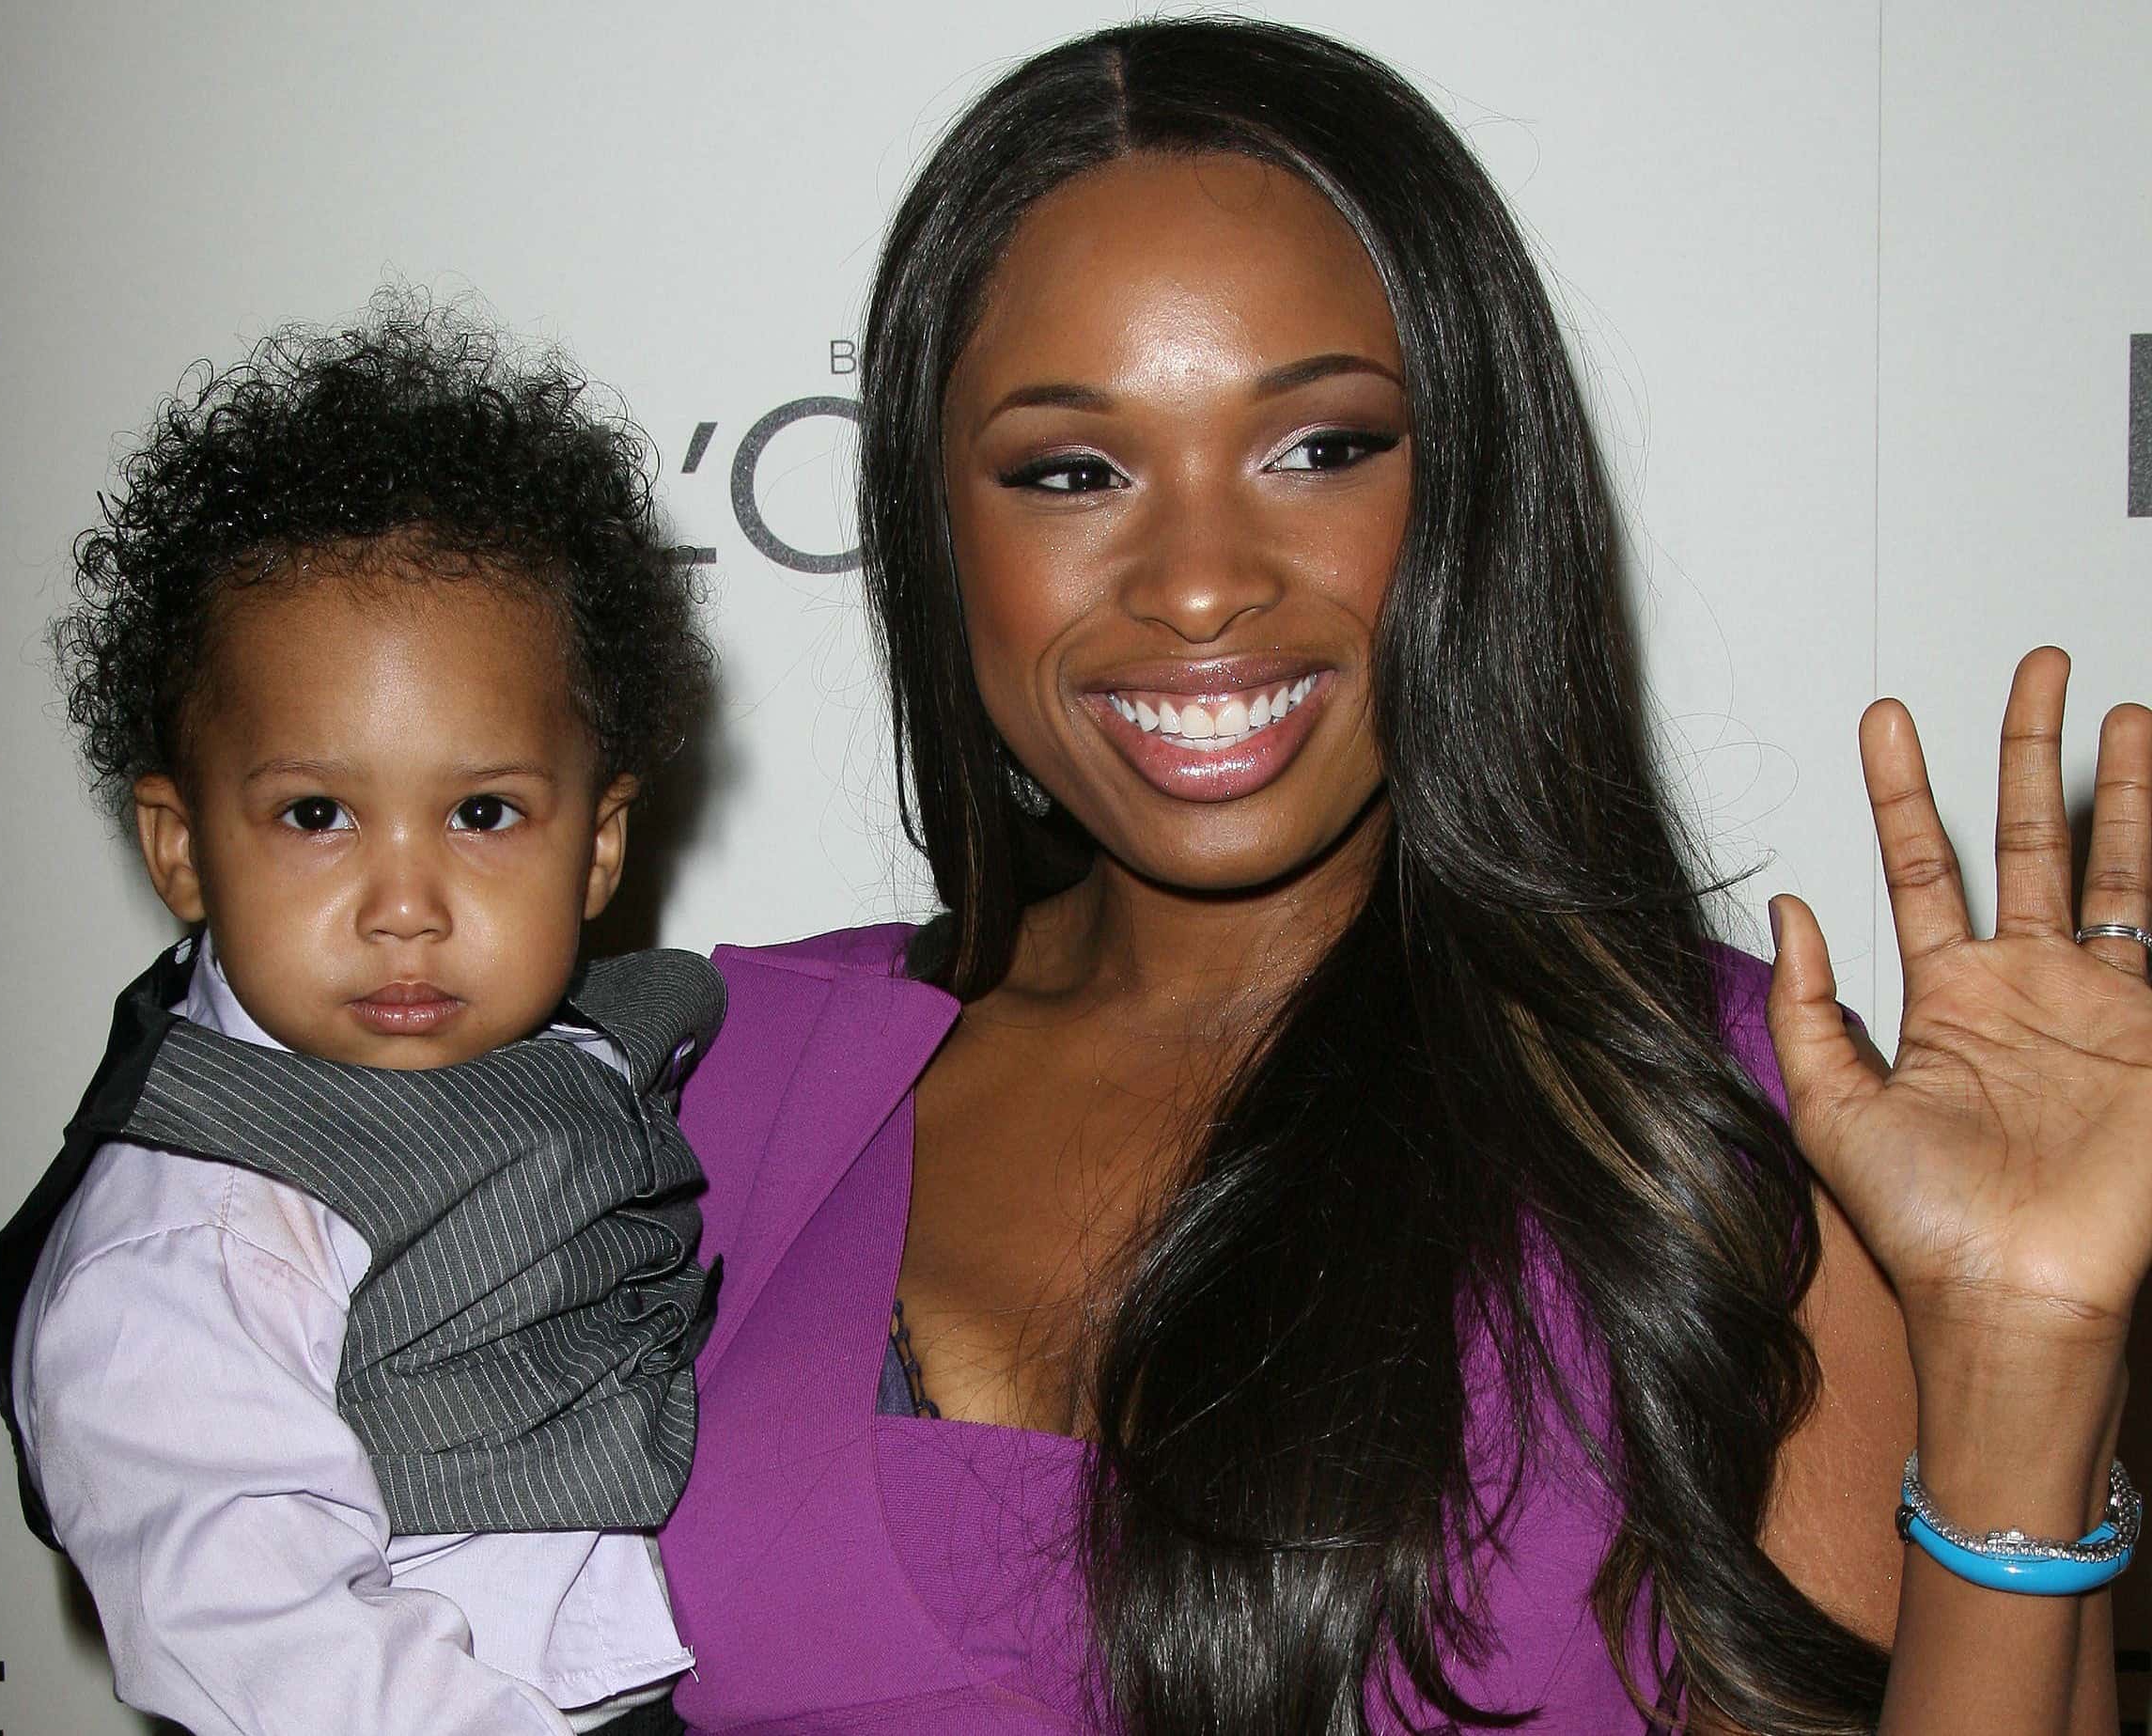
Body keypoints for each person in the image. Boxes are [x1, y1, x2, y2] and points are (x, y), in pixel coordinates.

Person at [650, 19, 2147, 1735]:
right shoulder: (709, 1085)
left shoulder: (1704, 1133)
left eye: (1321, 448)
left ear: (1474, 492)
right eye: (1072, 471)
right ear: (940, 533)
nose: (1199, 583)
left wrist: (2024, 1364)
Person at [0, 299, 723, 1736]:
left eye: (484, 813)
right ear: (183, 844)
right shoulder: (197, 1236)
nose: (406, 904)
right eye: (317, 814)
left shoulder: (588, 1046)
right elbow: (256, 1637)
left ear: (601, 846)